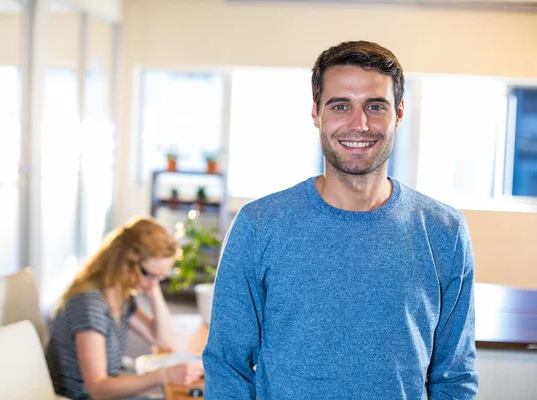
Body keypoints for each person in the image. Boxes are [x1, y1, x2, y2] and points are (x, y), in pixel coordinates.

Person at [203, 41, 479, 399]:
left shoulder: (444, 231)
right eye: (340, 106)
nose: (359, 124)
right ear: (316, 113)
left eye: (375, 106)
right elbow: (227, 367)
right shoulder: (259, 226)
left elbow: (454, 376)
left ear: (399, 113)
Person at [46, 216, 204, 400]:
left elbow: (162, 340)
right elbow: (97, 389)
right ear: (125, 261)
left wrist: (152, 288)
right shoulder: (90, 305)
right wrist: (165, 375)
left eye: (160, 277)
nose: (153, 283)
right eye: (150, 275)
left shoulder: (118, 296)